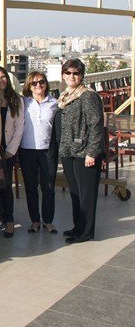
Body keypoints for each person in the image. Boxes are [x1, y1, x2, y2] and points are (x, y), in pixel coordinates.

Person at [57, 59, 104, 244]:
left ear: (82, 75)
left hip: (84, 152)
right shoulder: (65, 95)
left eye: (75, 73)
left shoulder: (87, 96)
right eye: (68, 73)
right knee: (76, 193)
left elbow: (96, 125)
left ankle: (85, 232)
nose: (71, 76)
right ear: (63, 75)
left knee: (86, 195)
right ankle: (78, 227)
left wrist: (92, 152)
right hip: (69, 151)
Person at [20, 71, 59, 235]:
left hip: (47, 150)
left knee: (48, 187)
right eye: (34, 83)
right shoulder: (24, 103)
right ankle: (35, 220)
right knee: (30, 187)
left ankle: (48, 221)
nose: (38, 86)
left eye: (41, 82)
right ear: (29, 85)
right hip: (27, 150)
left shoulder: (54, 103)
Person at [0, 66, 24, 237]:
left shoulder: (16, 100)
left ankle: (9, 220)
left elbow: (19, 128)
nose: (0, 81)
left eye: (3, 77)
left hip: (8, 150)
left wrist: (11, 151)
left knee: (5, 187)